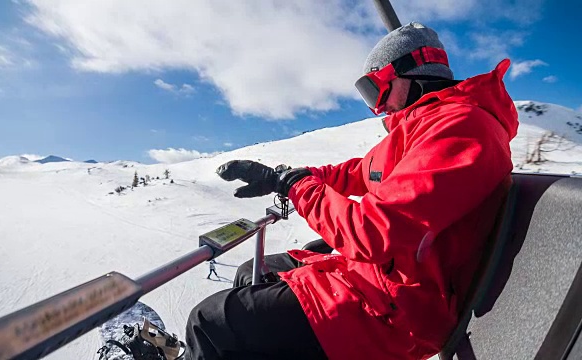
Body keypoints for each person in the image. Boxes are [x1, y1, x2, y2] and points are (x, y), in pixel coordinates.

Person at [185, 21, 518, 360]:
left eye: (376, 90)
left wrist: (299, 188)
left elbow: (370, 233)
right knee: (251, 273)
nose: (377, 107)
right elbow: (363, 171)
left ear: (411, 72)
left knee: (209, 323)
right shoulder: (426, 125)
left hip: (400, 312)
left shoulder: (460, 129)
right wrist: (284, 177)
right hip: (380, 283)